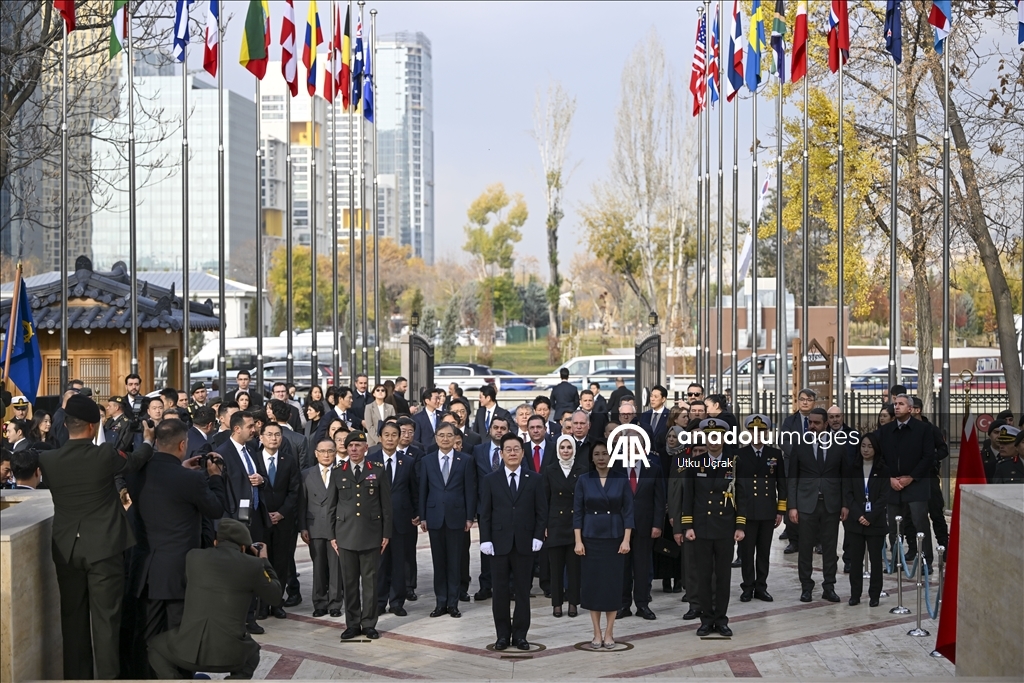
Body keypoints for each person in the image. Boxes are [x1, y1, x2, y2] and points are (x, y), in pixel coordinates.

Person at [39, 394, 155, 679]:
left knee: (73, 622)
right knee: (106, 622)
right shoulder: (104, 455)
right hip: (104, 549)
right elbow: (136, 460)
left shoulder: (48, 459)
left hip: (66, 548)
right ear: (93, 427)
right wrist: (149, 440)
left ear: (67, 425)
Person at [125, 419, 225, 672]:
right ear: (183, 444)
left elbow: (161, 485)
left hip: (145, 569)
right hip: (178, 573)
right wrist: (214, 478)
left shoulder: (137, 473)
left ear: (157, 442)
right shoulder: (190, 480)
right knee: (180, 636)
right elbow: (215, 508)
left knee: (145, 636)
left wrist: (181, 467)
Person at [146, 519, 282, 679]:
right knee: (253, 654)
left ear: (216, 542)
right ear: (243, 547)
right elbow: (275, 596)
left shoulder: (194, 557)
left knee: (155, 647)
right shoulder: (253, 565)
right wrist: (263, 560)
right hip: (230, 656)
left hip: (188, 652)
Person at [479, 433, 546, 651]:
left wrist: (537, 536)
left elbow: (541, 511)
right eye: (508, 449)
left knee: (522, 591)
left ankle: (520, 635)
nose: (513, 453)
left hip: (525, 543)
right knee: (499, 592)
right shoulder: (490, 480)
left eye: (516, 449)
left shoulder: (534, 479)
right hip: (498, 543)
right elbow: (485, 513)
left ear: (522, 452)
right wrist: (485, 540)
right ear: (501, 453)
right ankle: (501, 635)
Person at [680, 419, 746, 637]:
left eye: (717, 436)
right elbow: (688, 496)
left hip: (725, 527)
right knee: (704, 576)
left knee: (723, 576)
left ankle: (722, 619)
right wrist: (687, 525)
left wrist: (740, 525)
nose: (713, 441)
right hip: (701, 527)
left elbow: (742, 496)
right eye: (710, 436)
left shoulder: (734, 463)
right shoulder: (694, 463)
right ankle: (706, 619)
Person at [329, 431, 392, 640]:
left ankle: (369, 623)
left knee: (370, 582)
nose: (354, 449)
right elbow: (331, 506)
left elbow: (386, 506)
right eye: (350, 446)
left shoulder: (378, 471)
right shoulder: (338, 471)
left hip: (371, 535)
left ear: (366, 448)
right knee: (349, 583)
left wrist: (386, 534)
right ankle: (352, 624)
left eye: (358, 445)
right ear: (346, 449)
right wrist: (332, 536)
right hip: (345, 535)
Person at [212, 411, 271, 633]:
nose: (254, 429)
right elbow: (220, 490)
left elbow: (260, 478)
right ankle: (234, 618)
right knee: (234, 573)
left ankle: (250, 617)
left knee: (253, 568)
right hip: (234, 523)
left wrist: (261, 480)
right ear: (237, 428)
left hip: (254, 518)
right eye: (249, 426)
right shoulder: (221, 454)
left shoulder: (253, 449)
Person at [574, 442, 633, 649]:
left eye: (605, 453)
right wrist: (578, 541)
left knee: (611, 586)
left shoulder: (620, 479)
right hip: (591, 538)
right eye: (597, 454)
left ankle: (609, 632)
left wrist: (626, 539)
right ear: (592, 458)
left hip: (615, 538)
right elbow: (578, 512)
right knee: (593, 587)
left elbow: (628, 512)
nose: (601, 457)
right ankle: (596, 632)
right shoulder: (584, 480)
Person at [788, 408, 848, 603]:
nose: (812, 426)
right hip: (806, 504)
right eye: (810, 423)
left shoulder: (840, 444)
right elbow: (793, 477)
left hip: (831, 504)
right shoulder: (800, 443)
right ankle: (806, 587)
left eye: (816, 423)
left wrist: (845, 504)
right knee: (805, 547)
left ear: (826, 424)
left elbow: (844, 476)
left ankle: (828, 586)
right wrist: (793, 506)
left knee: (830, 548)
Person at [418, 421, 477, 618]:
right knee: (439, 562)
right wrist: (423, 516)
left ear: (455, 438)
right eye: (441, 435)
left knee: (454, 562)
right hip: (434, 517)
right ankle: (440, 603)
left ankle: (453, 603)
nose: (445, 439)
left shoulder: (466, 460)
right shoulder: (427, 461)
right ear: (436, 438)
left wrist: (470, 517)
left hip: (457, 517)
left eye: (449, 435)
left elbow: (470, 490)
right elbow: (423, 491)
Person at [877, 394, 935, 567]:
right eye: (895, 404)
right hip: (893, 485)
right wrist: (890, 479)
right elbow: (879, 457)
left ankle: (926, 561)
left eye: (901, 404)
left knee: (920, 523)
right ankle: (896, 560)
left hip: (916, 484)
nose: (897, 407)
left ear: (910, 409)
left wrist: (911, 477)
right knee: (895, 526)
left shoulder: (923, 429)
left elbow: (928, 457)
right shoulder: (885, 431)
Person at [736, 415, 786, 603]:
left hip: (767, 510)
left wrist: (780, 510)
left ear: (767, 432)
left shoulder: (775, 454)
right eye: (753, 431)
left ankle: (761, 587)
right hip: (747, 511)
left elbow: (782, 483)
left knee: (764, 552)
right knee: (747, 552)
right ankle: (747, 586)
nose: (757, 434)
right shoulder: (739, 455)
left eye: (761, 431)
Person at [255, 421, 301, 618]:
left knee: (281, 563)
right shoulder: (253, 459)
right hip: (261, 520)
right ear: (261, 437)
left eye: (277, 435)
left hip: (284, 520)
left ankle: (277, 603)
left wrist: (281, 513)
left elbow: (294, 491)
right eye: (270, 434)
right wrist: (266, 513)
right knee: (263, 564)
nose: (274, 438)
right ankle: (262, 605)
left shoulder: (289, 460)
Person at [619, 431, 665, 621]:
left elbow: (659, 499)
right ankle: (623, 604)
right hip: (621, 528)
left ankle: (642, 604)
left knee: (642, 566)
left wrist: (657, 524)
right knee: (623, 566)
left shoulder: (653, 469)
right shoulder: (617, 468)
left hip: (645, 526)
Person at [375, 421, 417, 617]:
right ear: (380, 437)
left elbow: (413, 490)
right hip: (376, 521)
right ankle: (379, 601)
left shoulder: (407, 461)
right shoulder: (371, 459)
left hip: (402, 520)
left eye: (394, 435)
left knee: (400, 563)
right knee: (380, 563)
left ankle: (397, 602)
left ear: (399, 437)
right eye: (386, 435)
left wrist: (417, 513)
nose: (390, 438)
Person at [299, 437, 344, 618]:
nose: (326, 455)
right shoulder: (306, 474)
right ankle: (319, 602)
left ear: (335, 453)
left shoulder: (342, 472)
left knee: (336, 567)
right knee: (318, 566)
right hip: (314, 526)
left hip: (336, 527)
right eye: (323, 451)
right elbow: (301, 502)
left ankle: (335, 603)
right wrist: (302, 527)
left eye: (330, 451)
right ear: (316, 454)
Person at [542, 435, 586, 618]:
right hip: (555, 524)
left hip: (575, 525)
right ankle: (557, 604)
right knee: (556, 567)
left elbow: (585, 500)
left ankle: (574, 603)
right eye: (563, 447)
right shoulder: (549, 470)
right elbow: (544, 500)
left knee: (574, 567)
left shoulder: (582, 470)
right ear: (558, 450)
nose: (566, 451)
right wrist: (544, 524)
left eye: (569, 447)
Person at [844, 433, 889, 606]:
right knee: (855, 560)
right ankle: (855, 594)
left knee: (876, 560)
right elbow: (848, 493)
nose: (866, 449)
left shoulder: (883, 470)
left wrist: (870, 516)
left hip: (875, 522)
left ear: (876, 448)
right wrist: (859, 515)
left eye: (870, 446)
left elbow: (884, 497)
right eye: (863, 446)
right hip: (856, 522)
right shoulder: (852, 468)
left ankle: (875, 595)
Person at [470, 415, 511, 601]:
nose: (499, 431)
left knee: (509, 546)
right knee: (486, 547)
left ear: (508, 431)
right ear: (490, 430)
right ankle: (486, 586)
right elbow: (472, 480)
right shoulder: (478, 450)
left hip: (509, 507)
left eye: (503, 428)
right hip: (485, 507)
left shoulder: (513, 450)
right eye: (496, 427)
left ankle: (508, 587)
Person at [779, 388, 818, 552]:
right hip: (793, 467)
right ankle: (794, 540)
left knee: (815, 504)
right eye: (802, 399)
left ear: (814, 402)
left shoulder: (819, 419)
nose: (805, 402)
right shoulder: (790, 421)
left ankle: (817, 540)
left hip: (814, 469)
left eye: (809, 399)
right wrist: (799, 456)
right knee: (792, 504)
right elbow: (784, 441)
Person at [639, 385, 670, 451]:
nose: (652, 399)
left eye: (655, 397)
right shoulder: (644, 415)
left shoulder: (669, 415)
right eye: (651, 396)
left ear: (663, 399)